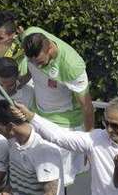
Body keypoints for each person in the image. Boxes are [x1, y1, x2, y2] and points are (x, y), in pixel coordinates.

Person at [21, 27, 94, 184]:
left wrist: (89, 145)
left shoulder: (72, 66)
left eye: (40, 62)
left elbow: (87, 107)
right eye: (32, 62)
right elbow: (30, 71)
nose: (37, 66)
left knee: (62, 182)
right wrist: (18, 82)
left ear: (50, 48)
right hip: (38, 118)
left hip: (66, 126)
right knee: (37, 177)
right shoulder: (29, 35)